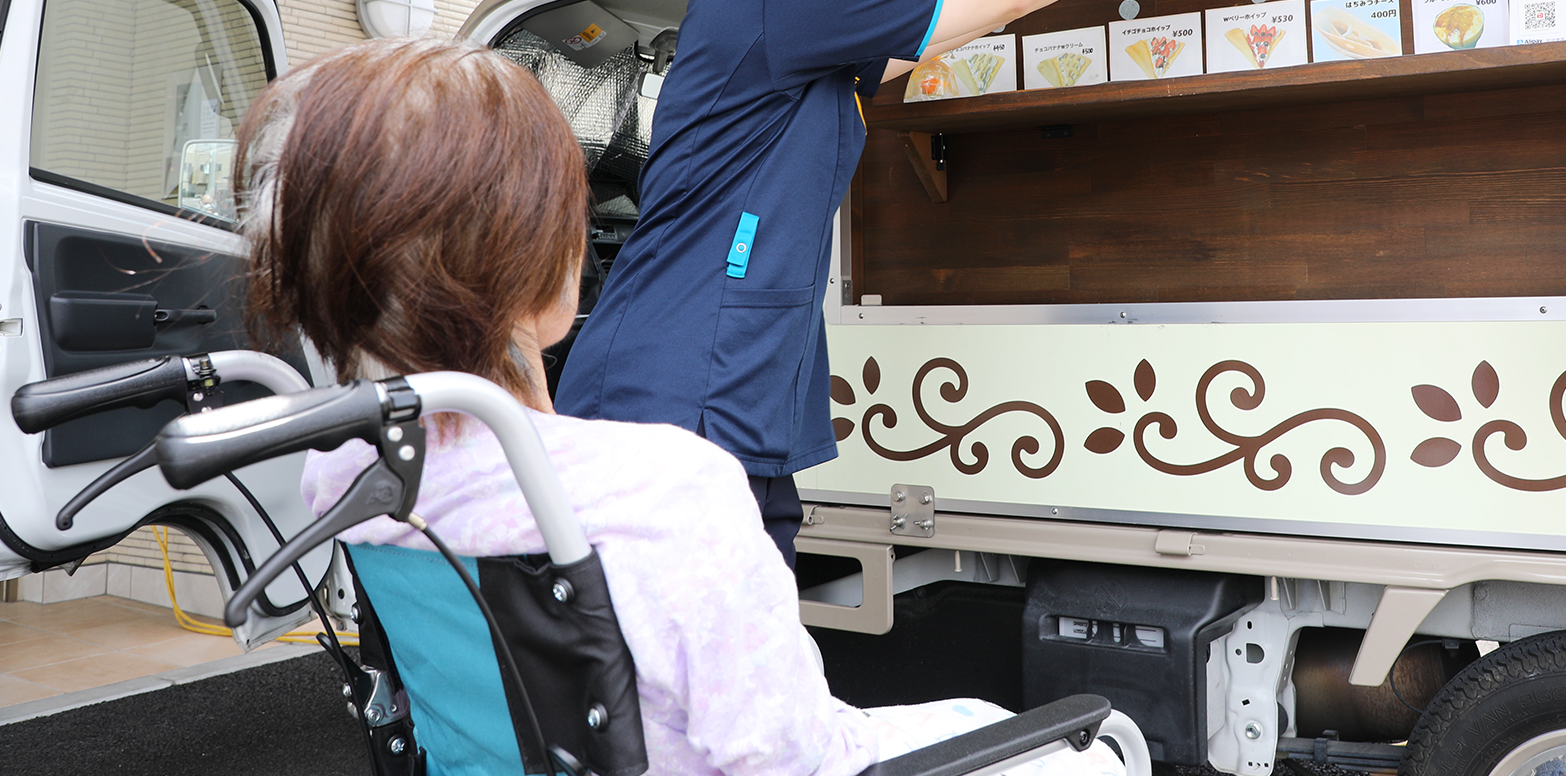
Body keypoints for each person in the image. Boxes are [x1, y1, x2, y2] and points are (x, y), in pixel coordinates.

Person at [239, 38, 1124, 776]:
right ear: (540, 261)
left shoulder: (346, 469)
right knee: (1096, 746)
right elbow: (787, 759)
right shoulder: (668, 490)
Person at [555, 0, 1203, 565]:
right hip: (678, 396)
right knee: (683, 669)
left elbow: (969, 16)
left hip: (719, 388)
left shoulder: (774, 4)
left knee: (731, 658)